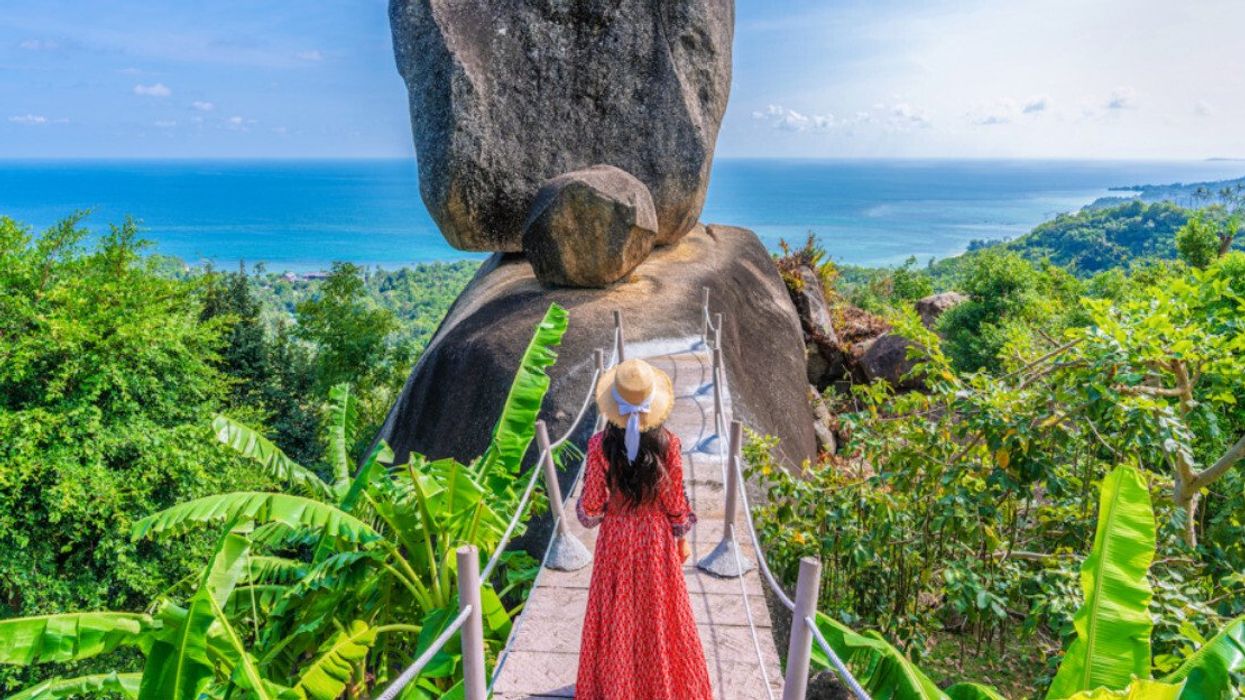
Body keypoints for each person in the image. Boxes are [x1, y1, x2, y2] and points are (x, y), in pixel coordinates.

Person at [574, 358, 713, 700]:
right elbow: (676, 505)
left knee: (619, 613)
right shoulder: (669, 445)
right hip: (655, 539)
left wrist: (605, 507)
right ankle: (658, 686)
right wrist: (680, 537)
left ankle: (618, 687)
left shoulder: (598, 446)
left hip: (617, 539)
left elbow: (590, 510)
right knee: (659, 614)